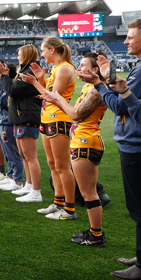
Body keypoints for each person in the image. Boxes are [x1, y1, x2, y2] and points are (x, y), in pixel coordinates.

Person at [81, 18, 141, 280]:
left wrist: (99, 84)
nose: (126, 41)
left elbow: (120, 107)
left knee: (140, 207)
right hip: (136, 144)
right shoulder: (140, 67)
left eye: (130, 37)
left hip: (137, 146)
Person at [39, 52, 108, 246]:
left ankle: (96, 235)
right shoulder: (89, 86)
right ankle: (94, 232)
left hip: (87, 142)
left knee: (89, 193)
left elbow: (76, 115)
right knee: (87, 192)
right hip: (81, 140)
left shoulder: (97, 89)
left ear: (95, 70)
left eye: (83, 65)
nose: (78, 68)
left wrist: (58, 99)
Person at [22, 37, 77, 219]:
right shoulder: (56, 68)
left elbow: (53, 97)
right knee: (53, 164)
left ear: (52, 50)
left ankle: (69, 209)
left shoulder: (65, 68)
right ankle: (58, 202)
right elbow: (48, 93)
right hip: (47, 118)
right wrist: (41, 79)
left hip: (58, 119)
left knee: (62, 166)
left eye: (44, 50)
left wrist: (34, 83)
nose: (42, 54)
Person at [0, 44, 42, 202]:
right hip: (21, 117)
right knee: (24, 155)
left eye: (19, 54)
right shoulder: (25, 71)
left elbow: (12, 91)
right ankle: (29, 185)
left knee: (30, 156)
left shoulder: (29, 72)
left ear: (27, 55)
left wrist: (3, 76)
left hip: (27, 117)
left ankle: (36, 190)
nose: (17, 57)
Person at [0, 62, 25, 192]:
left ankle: (17, 180)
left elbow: (2, 103)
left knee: (13, 153)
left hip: (7, 122)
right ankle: (10, 175)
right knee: (8, 153)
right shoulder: (6, 84)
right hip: (2, 122)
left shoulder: (10, 85)